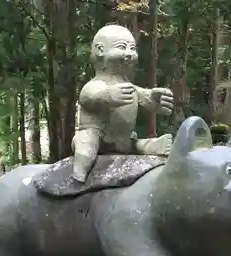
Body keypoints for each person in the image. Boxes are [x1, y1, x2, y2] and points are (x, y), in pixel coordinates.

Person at [72, 24, 174, 183]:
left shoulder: (129, 86)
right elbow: (87, 98)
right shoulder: (95, 84)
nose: (129, 53)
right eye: (121, 47)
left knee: (135, 143)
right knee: (87, 143)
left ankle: (149, 146)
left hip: (123, 141)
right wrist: (107, 96)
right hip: (97, 137)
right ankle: (79, 173)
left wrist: (154, 101)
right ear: (100, 50)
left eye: (132, 48)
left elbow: (144, 97)